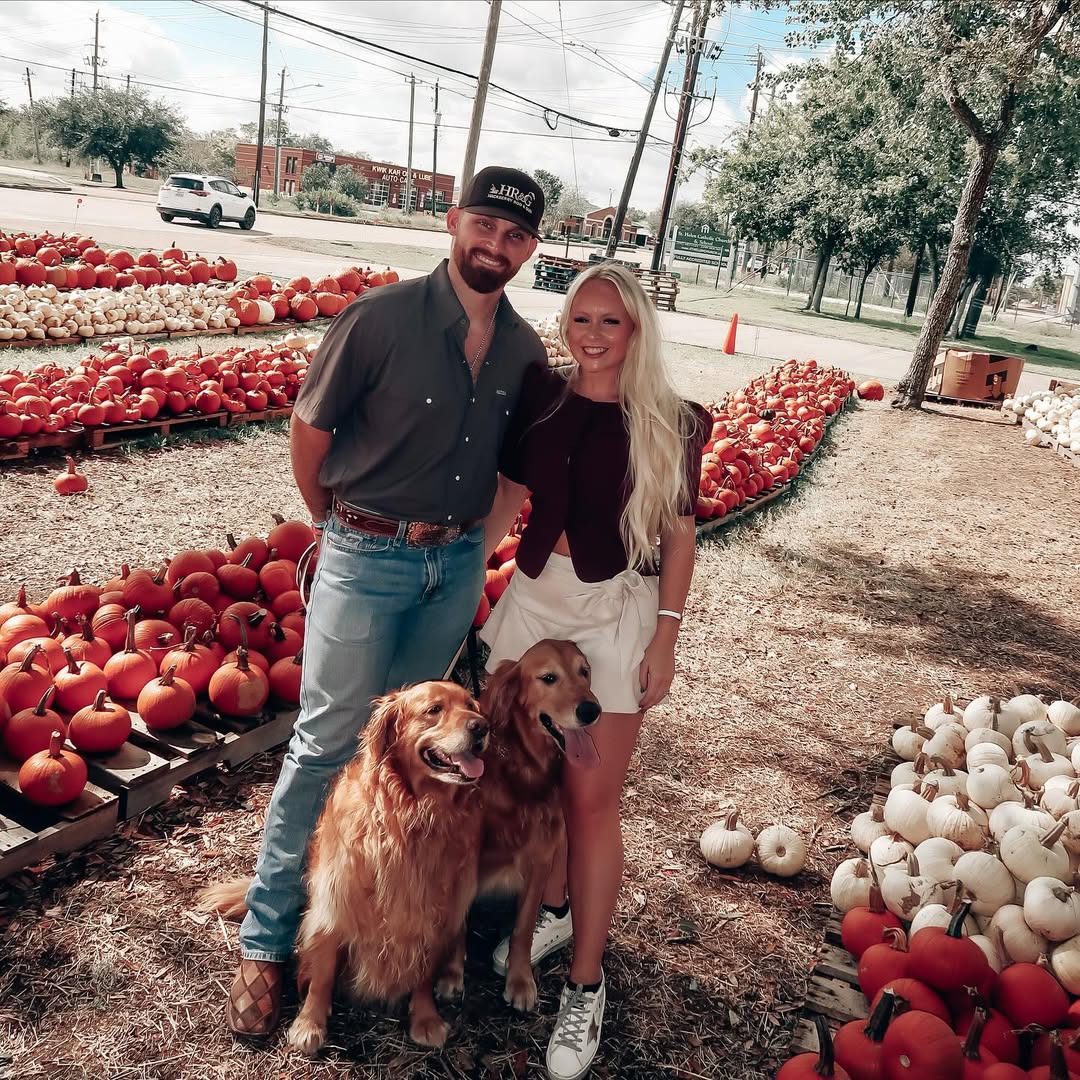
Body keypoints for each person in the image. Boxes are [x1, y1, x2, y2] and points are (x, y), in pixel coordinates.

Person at [225, 165, 547, 1041]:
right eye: (485, 225)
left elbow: (516, 467)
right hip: (367, 555)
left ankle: (377, 922)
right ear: (454, 223)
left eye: (516, 235)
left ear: (529, 248)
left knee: (412, 758)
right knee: (327, 742)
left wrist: (479, 547)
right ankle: (266, 940)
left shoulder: (523, 350)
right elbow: (310, 431)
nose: (497, 245)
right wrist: (337, 527)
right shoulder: (379, 317)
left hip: (454, 566)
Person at [480, 261, 710, 1080]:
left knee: (589, 799)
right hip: (534, 604)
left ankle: (586, 983)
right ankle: (553, 906)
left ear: (637, 328)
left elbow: (679, 534)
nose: (593, 335)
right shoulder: (541, 396)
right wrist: (469, 573)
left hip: (615, 613)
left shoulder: (675, 420)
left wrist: (665, 638)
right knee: (531, 778)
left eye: (611, 321)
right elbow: (509, 494)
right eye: (582, 318)